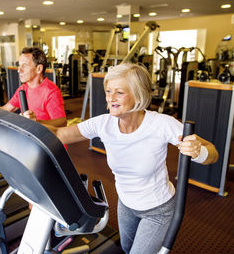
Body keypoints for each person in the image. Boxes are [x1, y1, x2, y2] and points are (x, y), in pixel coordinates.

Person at [24, 63, 219, 254]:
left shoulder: (161, 124)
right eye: (109, 91)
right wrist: (33, 124)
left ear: (138, 95)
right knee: (126, 248)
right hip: (125, 203)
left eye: (119, 92)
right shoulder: (104, 123)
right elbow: (59, 134)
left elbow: (212, 153)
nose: (111, 98)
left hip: (157, 210)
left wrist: (197, 151)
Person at [0, 47, 67, 127]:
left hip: (49, 145)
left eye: (24, 66)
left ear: (39, 69)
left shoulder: (50, 91)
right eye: (19, 66)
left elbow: (62, 122)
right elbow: (3, 110)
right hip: (32, 138)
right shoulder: (23, 89)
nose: (19, 70)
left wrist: (37, 122)